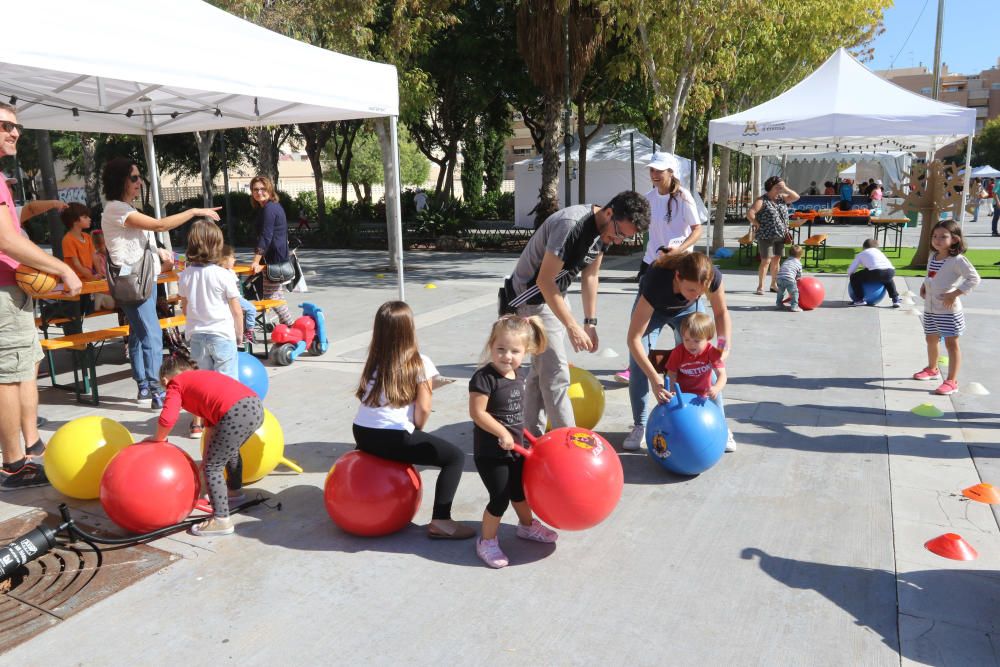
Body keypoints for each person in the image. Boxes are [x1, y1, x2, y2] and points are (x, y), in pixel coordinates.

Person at [505, 191, 650, 434]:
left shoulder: (604, 230)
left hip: (553, 296)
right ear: (609, 212)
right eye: (619, 234)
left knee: (541, 370)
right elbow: (544, 281)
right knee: (556, 373)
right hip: (530, 297)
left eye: (625, 237)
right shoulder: (570, 225)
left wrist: (589, 322)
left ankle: (528, 432)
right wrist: (572, 326)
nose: (617, 241)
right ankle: (567, 441)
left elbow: (591, 275)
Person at [0, 102, 82, 490]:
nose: (14, 132)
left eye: (16, 126)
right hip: (3, 291)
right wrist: (60, 267)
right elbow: (5, 238)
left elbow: (18, 221)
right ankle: (14, 463)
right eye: (4, 126)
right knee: (8, 377)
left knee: (26, 365)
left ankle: (30, 444)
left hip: (13, 291)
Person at [100, 156, 221, 409]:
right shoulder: (117, 210)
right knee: (152, 334)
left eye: (140, 178)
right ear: (119, 180)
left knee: (138, 332)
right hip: (135, 282)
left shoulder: (125, 209)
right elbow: (160, 225)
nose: (139, 183)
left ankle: (144, 385)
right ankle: (157, 390)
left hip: (141, 279)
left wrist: (159, 253)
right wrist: (195, 211)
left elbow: (136, 242)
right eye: (134, 178)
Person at [352, 301, 475, 540]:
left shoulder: (374, 361)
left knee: (405, 447)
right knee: (455, 458)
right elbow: (425, 408)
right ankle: (441, 520)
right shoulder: (420, 362)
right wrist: (416, 430)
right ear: (410, 330)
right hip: (393, 436)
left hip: (362, 433)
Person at [469, 315, 557, 568]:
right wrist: (502, 433)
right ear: (491, 345)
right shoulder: (483, 378)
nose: (507, 356)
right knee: (500, 498)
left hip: (516, 449)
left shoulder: (517, 374)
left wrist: (528, 438)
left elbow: (515, 416)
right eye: (501, 349)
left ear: (526, 351)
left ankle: (527, 527)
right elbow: (477, 413)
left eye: (515, 351)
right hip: (490, 453)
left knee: (520, 492)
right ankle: (486, 541)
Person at [624, 252, 734, 451]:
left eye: (701, 292)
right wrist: (655, 380)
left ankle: (720, 425)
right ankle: (639, 424)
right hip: (654, 309)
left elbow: (720, 312)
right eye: (691, 290)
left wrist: (723, 346)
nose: (696, 296)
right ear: (677, 277)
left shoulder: (712, 277)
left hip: (687, 313)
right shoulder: (656, 280)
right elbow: (633, 339)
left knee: (702, 361)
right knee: (639, 364)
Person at [616, 153, 700, 385]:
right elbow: (637, 225)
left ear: (671, 172)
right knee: (640, 322)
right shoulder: (648, 199)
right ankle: (635, 367)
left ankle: (688, 367)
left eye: (659, 170)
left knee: (686, 327)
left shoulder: (684, 198)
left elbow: (697, 230)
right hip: (652, 266)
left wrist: (679, 250)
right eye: (652, 169)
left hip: (680, 268)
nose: (654, 174)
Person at [155, 356, 261, 537]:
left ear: (165, 380)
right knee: (229, 451)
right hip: (254, 407)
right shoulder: (201, 379)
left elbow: (167, 418)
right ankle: (234, 491)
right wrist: (206, 458)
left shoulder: (176, 384)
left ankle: (221, 520)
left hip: (234, 413)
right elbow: (211, 430)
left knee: (213, 468)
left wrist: (158, 440)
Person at [178, 220, 243, 436]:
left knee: (202, 383)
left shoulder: (185, 275)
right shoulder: (224, 275)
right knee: (226, 383)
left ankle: (198, 424)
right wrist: (240, 335)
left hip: (197, 336)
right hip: (222, 335)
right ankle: (227, 426)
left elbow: (185, 307)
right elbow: (236, 310)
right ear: (216, 245)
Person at [913, 220, 980, 396]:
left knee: (951, 344)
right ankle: (932, 369)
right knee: (931, 339)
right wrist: (924, 285)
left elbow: (974, 278)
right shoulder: (933, 256)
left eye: (943, 236)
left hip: (948, 310)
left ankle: (951, 381)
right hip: (931, 308)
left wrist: (955, 293)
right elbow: (931, 275)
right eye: (935, 236)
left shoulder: (957, 260)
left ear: (955, 239)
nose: (937, 240)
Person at [664, 313, 731, 442]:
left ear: (708, 338)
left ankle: (723, 432)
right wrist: (672, 391)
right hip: (682, 395)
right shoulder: (678, 352)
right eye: (686, 339)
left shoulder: (712, 352)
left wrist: (716, 388)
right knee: (683, 423)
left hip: (703, 395)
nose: (690, 345)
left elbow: (722, 375)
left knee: (716, 410)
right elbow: (671, 373)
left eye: (696, 340)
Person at [248, 176, 294, 326]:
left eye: (262, 189)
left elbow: (266, 236)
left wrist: (255, 261)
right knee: (276, 294)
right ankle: (286, 330)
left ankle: (291, 325)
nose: (259, 192)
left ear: (269, 189)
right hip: (274, 257)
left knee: (271, 297)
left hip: (275, 259)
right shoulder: (267, 208)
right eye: (255, 189)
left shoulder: (270, 208)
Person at [747, 176, 798, 295]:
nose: (781, 188)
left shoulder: (782, 198)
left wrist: (785, 188)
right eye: (779, 186)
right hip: (766, 235)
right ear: (772, 186)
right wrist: (756, 224)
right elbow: (750, 213)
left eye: (782, 186)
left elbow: (796, 197)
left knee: (777, 260)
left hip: (781, 235)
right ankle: (760, 286)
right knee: (766, 261)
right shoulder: (762, 200)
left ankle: (774, 284)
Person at [220, 245, 257, 347]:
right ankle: (249, 330)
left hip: (236, 298)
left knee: (247, 310)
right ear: (224, 259)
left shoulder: (230, 271)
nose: (234, 260)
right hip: (233, 299)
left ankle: (246, 330)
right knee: (251, 309)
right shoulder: (223, 273)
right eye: (232, 257)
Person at [847, 238, 900, 308]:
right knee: (888, 280)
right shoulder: (880, 253)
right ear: (876, 247)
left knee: (854, 277)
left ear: (864, 247)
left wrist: (851, 275)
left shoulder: (861, 254)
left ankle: (859, 300)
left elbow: (851, 270)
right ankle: (895, 299)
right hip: (890, 271)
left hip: (876, 272)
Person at [89, 230, 116, 311]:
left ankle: (97, 303)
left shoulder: (111, 255)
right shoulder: (97, 256)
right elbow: (101, 274)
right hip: (107, 290)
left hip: (108, 290)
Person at [775, 245, 804, 312]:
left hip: (779, 278)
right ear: (800, 256)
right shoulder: (798, 263)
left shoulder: (786, 261)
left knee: (781, 292)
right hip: (789, 279)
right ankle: (794, 306)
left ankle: (779, 304)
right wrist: (798, 279)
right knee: (794, 292)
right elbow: (799, 274)